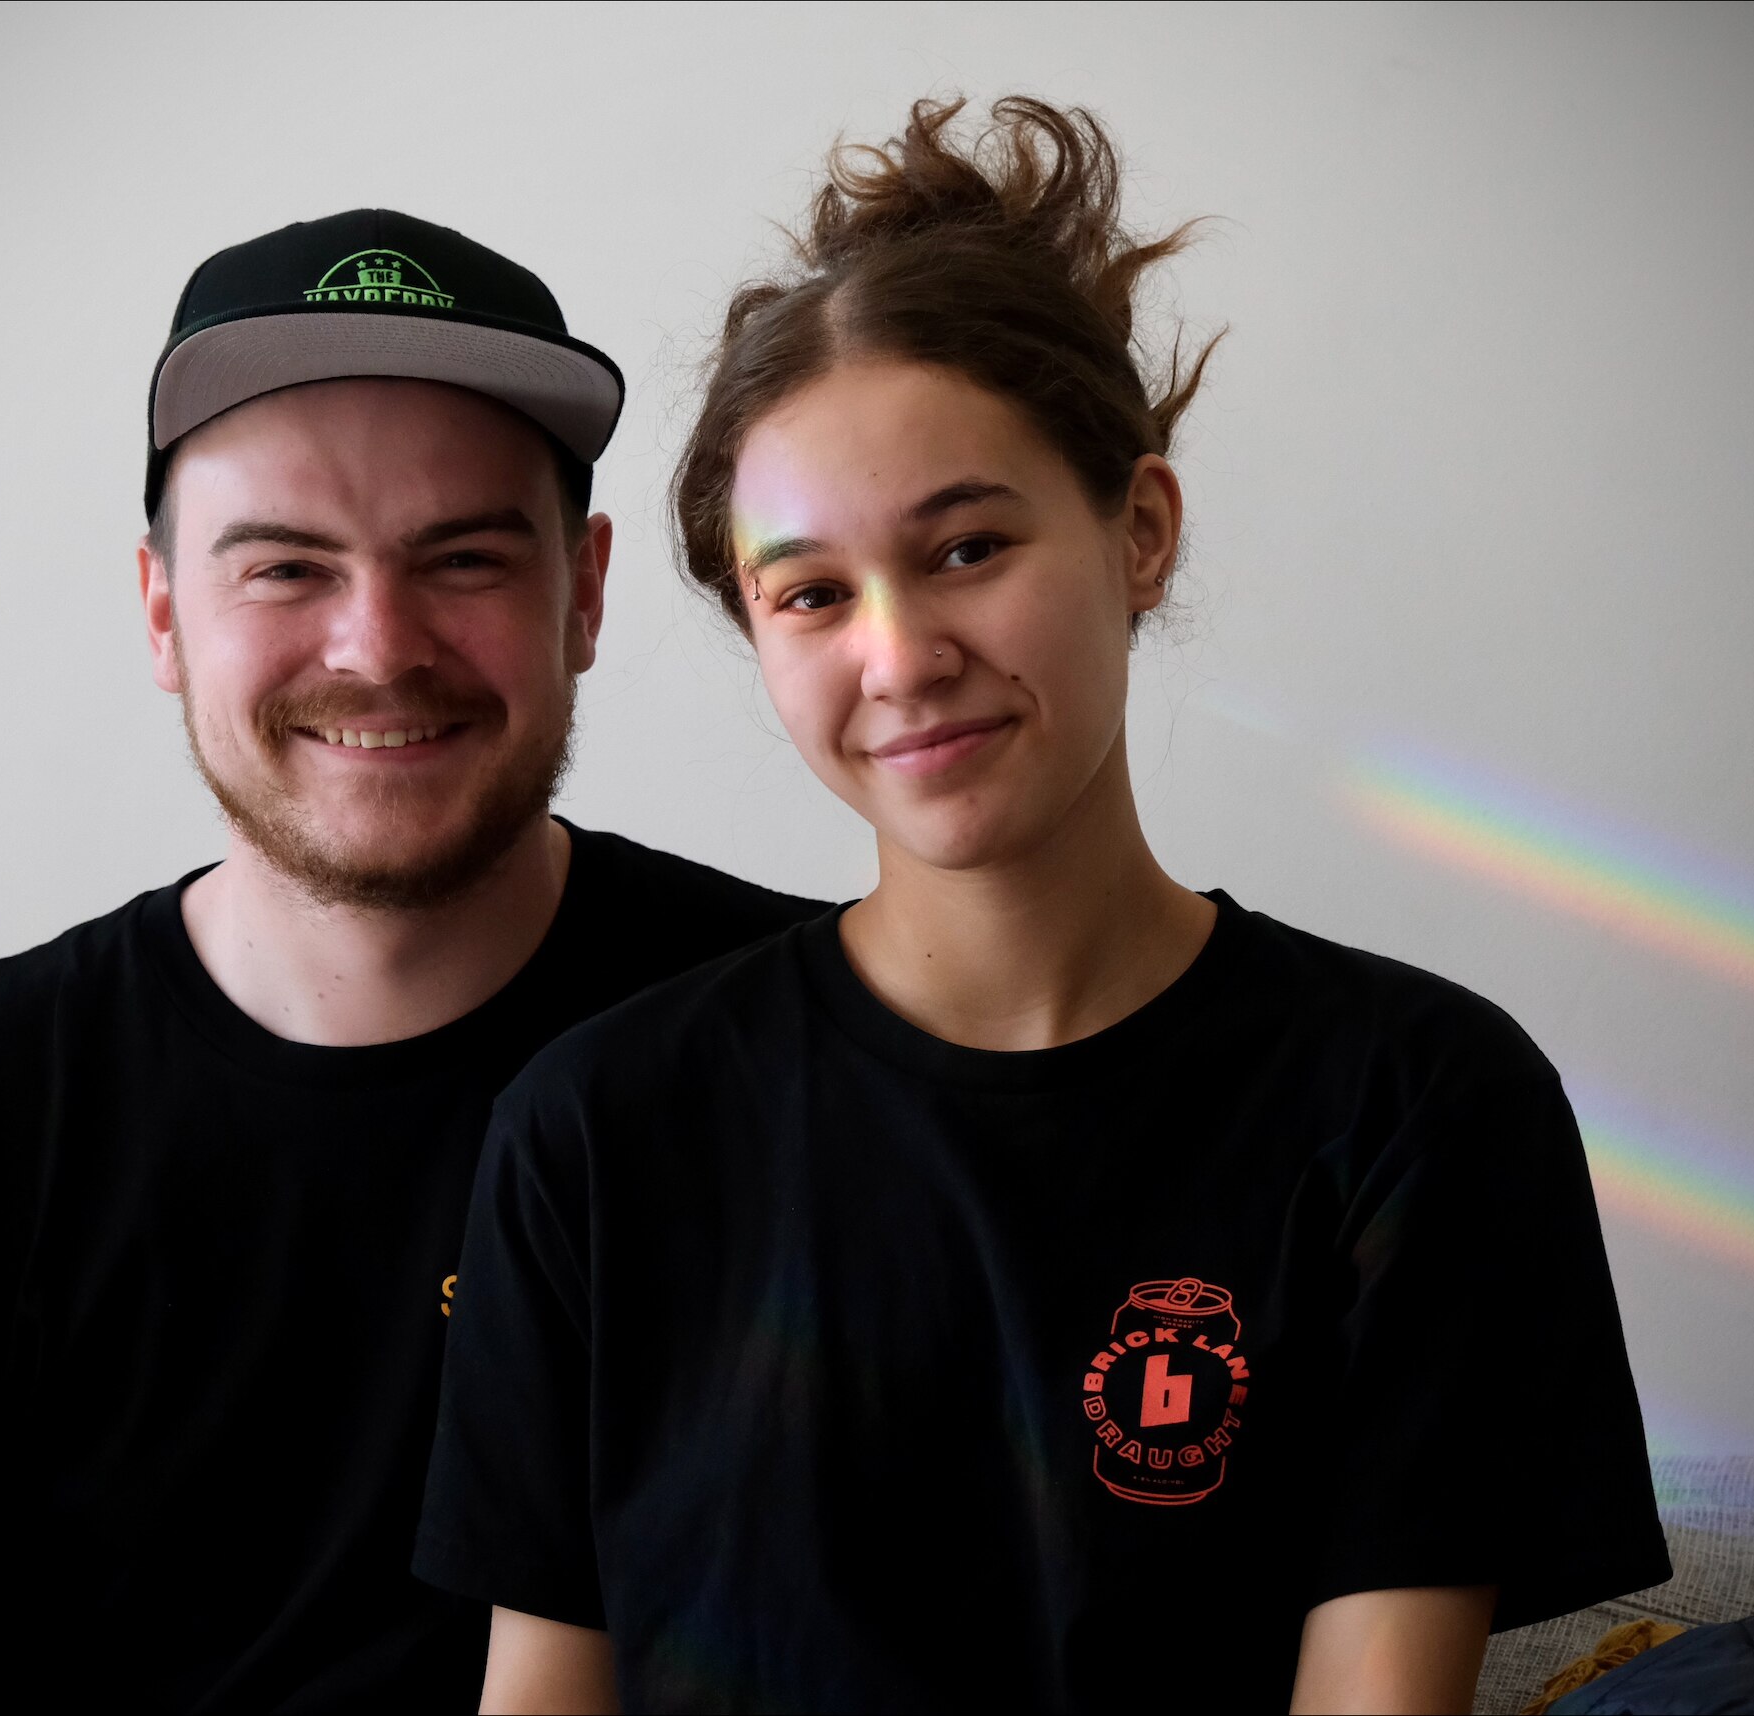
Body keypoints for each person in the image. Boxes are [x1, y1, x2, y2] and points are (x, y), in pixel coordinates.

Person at [413, 99, 1671, 1714]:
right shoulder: (594, 1135)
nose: (898, 654)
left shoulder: (1413, 1104)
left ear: (1136, 532)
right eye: (810, 594)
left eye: (965, 547)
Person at [0, 209, 819, 1714]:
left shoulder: (796, 1036)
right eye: (283, 569)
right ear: (162, 611)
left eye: (460, 557)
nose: (375, 645)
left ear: (582, 594)